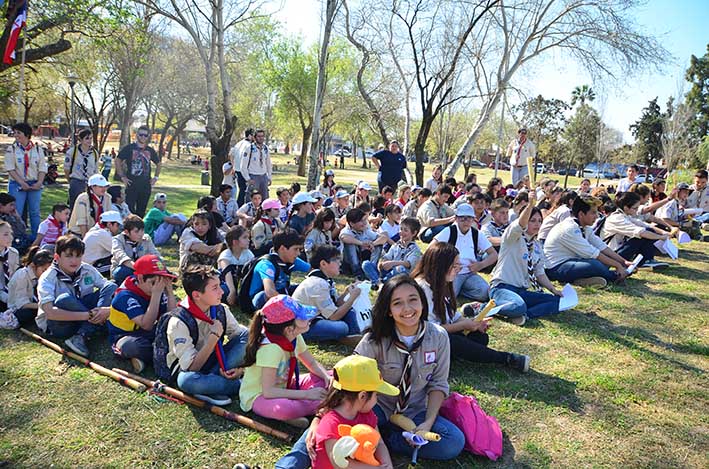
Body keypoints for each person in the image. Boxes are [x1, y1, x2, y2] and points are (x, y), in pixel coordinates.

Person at [352, 275, 465, 462]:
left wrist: (428, 423)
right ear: (388, 310)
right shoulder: (375, 340)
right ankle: (378, 434)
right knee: (350, 427)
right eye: (397, 303)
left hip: (416, 409)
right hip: (378, 407)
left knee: (453, 442)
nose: (407, 309)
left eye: (413, 300)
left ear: (422, 302)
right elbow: (353, 380)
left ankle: (389, 439)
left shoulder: (438, 336)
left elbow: (438, 383)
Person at [413, 242, 530, 371]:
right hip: (425, 341)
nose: (458, 269)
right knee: (453, 341)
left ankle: (454, 355)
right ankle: (506, 358)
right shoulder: (422, 288)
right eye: (455, 266)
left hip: (441, 335)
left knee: (480, 337)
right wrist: (464, 325)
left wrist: (474, 323)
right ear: (440, 266)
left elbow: (453, 316)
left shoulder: (442, 283)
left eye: (459, 265)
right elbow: (431, 330)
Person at [239, 294, 329, 428]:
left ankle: (308, 406)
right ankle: (312, 406)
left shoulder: (294, 336)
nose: (308, 319)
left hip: (285, 384)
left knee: (331, 376)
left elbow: (311, 363)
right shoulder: (271, 349)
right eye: (302, 317)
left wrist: (326, 377)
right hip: (260, 396)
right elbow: (268, 391)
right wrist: (307, 394)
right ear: (289, 329)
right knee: (285, 408)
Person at [166, 265, 249, 406]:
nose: (222, 292)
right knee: (186, 381)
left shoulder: (220, 309)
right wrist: (213, 337)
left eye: (220, 286)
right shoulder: (178, 321)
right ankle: (242, 385)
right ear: (197, 295)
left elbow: (241, 336)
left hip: (216, 362)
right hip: (191, 369)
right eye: (215, 288)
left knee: (248, 335)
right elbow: (192, 367)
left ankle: (212, 386)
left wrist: (241, 369)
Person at [488, 190, 562, 325]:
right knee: (518, 305)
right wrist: (530, 205)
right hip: (502, 288)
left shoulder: (537, 245)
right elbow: (520, 225)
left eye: (540, 221)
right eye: (532, 220)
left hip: (521, 291)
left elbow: (539, 272)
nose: (537, 224)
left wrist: (553, 289)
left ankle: (524, 315)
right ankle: (481, 308)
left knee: (557, 301)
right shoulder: (513, 237)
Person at [36, 235, 118, 357]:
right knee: (64, 299)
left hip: (82, 313)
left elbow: (107, 286)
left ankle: (83, 334)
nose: (74, 261)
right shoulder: (48, 278)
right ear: (57, 257)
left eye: (78, 256)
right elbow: (50, 313)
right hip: (59, 323)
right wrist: (89, 315)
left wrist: (102, 310)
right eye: (69, 256)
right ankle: (97, 325)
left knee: (111, 285)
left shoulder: (86, 269)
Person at [108, 255, 177, 373]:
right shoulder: (125, 296)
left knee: (176, 329)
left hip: (149, 333)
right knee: (131, 346)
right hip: (125, 335)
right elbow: (146, 325)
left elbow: (171, 317)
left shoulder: (156, 289)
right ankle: (164, 355)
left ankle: (152, 356)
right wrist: (156, 294)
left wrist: (170, 292)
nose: (159, 285)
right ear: (140, 278)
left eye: (162, 281)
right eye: (154, 282)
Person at [544, 195, 631, 287]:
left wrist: (623, 262)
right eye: (593, 213)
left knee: (601, 262)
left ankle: (582, 280)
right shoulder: (569, 229)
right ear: (581, 214)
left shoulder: (585, 227)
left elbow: (601, 246)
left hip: (573, 262)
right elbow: (594, 253)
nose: (597, 216)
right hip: (555, 268)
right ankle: (614, 277)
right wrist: (618, 266)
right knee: (595, 265)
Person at [292, 245, 363, 343]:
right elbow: (333, 316)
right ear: (323, 263)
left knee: (349, 311)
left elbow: (335, 305)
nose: (340, 263)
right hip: (305, 324)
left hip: (318, 318)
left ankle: (353, 336)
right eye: (336, 260)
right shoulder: (317, 283)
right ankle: (347, 338)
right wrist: (352, 298)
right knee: (342, 327)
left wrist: (346, 293)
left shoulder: (325, 280)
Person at [431, 203, 497, 301]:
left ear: (473, 219)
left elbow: (494, 254)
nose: (466, 221)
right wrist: (448, 265)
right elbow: (431, 248)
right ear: (456, 218)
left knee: (485, 293)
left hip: (470, 273)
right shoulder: (450, 231)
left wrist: (480, 265)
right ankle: (456, 289)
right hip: (452, 274)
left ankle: (461, 290)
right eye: (462, 218)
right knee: (447, 298)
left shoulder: (476, 234)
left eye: (469, 218)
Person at [602, 191, 672, 268]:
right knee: (645, 234)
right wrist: (660, 237)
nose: (636, 210)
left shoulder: (625, 215)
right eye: (635, 208)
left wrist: (664, 233)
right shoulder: (617, 218)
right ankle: (645, 260)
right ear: (626, 207)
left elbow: (645, 225)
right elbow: (641, 232)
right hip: (612, 254)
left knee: (649, 230)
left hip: (619, 249)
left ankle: (646, 260)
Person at [246, 229, 310, 310]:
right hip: (260, 300)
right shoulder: (266, 264)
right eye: (295, 249)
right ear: (282, 248)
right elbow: (270, 292)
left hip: (281, 293)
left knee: (305, 286)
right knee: (263, 295)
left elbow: (311, 270)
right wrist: (293, 306)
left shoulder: (291, 259)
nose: (298, 253)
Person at [4, 122, 47, 237]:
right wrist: (22, 183)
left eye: (19, 132)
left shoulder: (38, 149)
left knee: (35, 212)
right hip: (17, 184)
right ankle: (16, 238)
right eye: (15, 132)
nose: (16, 135)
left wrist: (39, 182)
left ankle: (36, 239)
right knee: (15, 211)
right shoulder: (11, 149)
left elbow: (42, 167)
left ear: (27, 134)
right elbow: (10, 168)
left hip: (34, 183)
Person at [0, 246, 53, 329]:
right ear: (33, 266)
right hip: (17, 307)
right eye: (43, 270)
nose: (46, 274)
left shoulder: (42, 277)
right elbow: (22, 304)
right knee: (27, 314)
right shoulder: (22, 275)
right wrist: (44, 306)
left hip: (33, 304)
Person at [116, 125, 161, 216]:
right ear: (137, 135)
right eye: (141, 135)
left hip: (145, 186)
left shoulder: (150, 150)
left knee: (141, 212)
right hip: (131, 184)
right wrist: (122, 176)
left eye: (145, 135)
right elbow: (118, 160)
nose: (143, 137)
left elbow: (159, 164)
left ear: (148, 137)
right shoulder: (129, 148)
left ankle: (139, 230)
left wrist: (155, 177)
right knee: (130, 211)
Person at [363, 217, 421, 287]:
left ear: (414, 233)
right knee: (366, 264)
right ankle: (379, 282)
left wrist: (393, 263)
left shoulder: (415, 249)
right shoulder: (396, 245)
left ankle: (379, 282)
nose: (401, 232)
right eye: (401, 229)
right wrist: (382, 263)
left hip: (399, 273)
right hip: (388, 271)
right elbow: (387, 257)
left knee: (401, 269)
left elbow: (408, 263)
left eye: (405, 230)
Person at [111, 214, 162, 286]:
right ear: (126, 232)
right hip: (127, 268)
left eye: (142, 230)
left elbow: (155, 254)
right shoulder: (117, 240)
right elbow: (122, 257)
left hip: (143, 269)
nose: (140, 234)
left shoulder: (146, 238)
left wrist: (162, 267)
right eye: (136, 231)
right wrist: (140, 270)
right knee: (121, 272)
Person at [340, 208, 389, 280]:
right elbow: (344, 237)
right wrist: (362, 243)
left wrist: (373, 244)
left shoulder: (366, 229)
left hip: (363, 259)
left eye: (364, 220)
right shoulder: (346, 231)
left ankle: (371, 268)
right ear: (352, 224)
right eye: (361, 221)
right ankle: (357, 272)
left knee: (378, 244)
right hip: (349, 263)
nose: (364, 223)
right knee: (350, 244)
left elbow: (384, 238)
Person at [218, 226, 254, 306]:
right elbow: (227, 274)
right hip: (227, 284)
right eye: (245, 237)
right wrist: (232, 291)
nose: (248, 240)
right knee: (224, 291)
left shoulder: (248, 254)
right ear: (235, 242)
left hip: (242, 284)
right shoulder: (226, 255)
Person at [64, 129, 99, 209]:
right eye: (87, 138)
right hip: (77, 181)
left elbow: (95, 169)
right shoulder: (72, 152)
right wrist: (71, 181)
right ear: (80, 140)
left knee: (90, 207)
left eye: (91, 138)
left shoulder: (94, 153)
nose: (89, 141)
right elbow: (67, 169)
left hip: (90, 183)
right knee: (75, 207)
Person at [83, 211, 124, 278]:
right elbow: (118, 250)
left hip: (89, 265)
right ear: (109, 224)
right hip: (91, 268)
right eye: (117, 225)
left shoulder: (96, 230)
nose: (118, 228)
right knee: (121, 262)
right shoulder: (102, 234)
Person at [240, 128, 272, 199]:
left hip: (263, 176)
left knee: (265, 198)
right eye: (259, 136)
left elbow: (268, 164)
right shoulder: (249, 148)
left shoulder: (265, 148)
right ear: (255, 137)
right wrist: (247, 178)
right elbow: (243, 165)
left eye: (262, 136)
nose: (261, 138)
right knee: (251, 198)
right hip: (253, 176)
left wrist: (269, 177)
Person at [0, 221, 20, 311]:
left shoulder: (13, 253)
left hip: (11, 293)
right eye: (6, 234)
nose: (11, 237)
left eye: (11, 234)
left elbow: (16, 276)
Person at [231, 128, 254, 206]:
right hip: (245, 171)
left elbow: (231, 155)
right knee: (245, 191)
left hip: (237, 170)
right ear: (250, 136)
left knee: (242, 190)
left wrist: (233, 166)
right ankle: (242, 206)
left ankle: (239, 205)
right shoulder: (249, 145)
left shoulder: (238, 143)